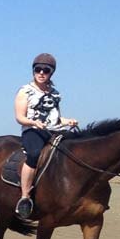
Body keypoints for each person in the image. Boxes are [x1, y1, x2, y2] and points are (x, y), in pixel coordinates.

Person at [14, 52, 78, 220]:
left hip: (53, 130)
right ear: (33, 71)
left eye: (46, 70)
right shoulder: (25, 91)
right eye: (38, 70)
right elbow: (19, 117)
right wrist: (34, 123)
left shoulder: (55, 93)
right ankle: (25, 197)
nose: (41, 73)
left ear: (51, 73)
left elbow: (55, 117)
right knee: (34, 155)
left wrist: (68, 121)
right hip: (32, 130)